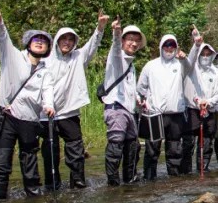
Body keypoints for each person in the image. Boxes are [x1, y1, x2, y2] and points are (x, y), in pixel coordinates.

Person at [0, 1, 54, 199]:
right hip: (8, 116)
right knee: (3, 157)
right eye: (36, 39)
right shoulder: (13, 57)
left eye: (44, 40)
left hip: (29, 119)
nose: (40, 42)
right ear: (28, 42)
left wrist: (49, 105)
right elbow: (3, 38)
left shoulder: (46, 71)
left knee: (29, 158)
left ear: (48, 48)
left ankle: (33, 194)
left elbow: (48, 91)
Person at [41, 12, 108, 190]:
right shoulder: (45, 60)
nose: (67, 42)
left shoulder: (79, 57)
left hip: (69, 112)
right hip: (47, 114)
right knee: (50, 151)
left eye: (71, 39)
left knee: (75, 150)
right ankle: (51, 184)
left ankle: (77, 182)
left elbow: (93, 45)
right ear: (57, 41)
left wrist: (100, 27)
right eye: (64, 39)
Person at [137, 30, 200, 177]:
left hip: (176, 115)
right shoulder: (150, 66)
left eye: (172, 45)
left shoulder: (180, 65)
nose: (169, 48)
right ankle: (149, 179)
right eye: (166, 45)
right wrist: (145, 101)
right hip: (155, 115)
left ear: (176, 47)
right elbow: (141, 87)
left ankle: (174, 180)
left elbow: (190, 65)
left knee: (174, 150)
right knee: (152, 150)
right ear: (161, 47)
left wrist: (196, 45)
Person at [102, 18, 145, 186]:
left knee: (132, 145)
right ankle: (112, 183)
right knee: (116, 144)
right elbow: (114, 47)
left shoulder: (131, 65)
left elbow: (130, 88)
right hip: (116, 108)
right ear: (123, 41)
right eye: (130, 40)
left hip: (129, 110)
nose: (133, 44)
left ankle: (129, 179)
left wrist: (138, 100)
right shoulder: (116, 57)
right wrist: (116, 32)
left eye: (136, 41)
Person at [185, 40, 218, 173]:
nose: (205, 56)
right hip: (192, 109)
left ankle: (203, 168)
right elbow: (189, 59)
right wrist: (196, 44)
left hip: (209, 110)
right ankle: (185, 171)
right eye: (202, 53)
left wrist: (208, 102)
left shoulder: (215, 73)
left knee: (207, 142)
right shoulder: (191, 68)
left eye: (208, 54)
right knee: (188, 142)